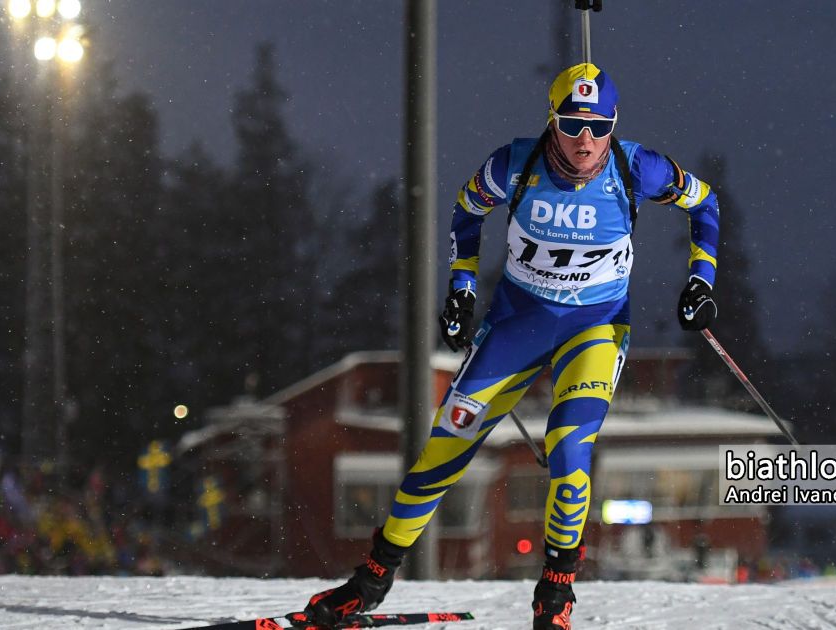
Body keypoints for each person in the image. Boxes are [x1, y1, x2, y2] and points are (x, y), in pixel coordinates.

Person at [304, 62, 721, 630]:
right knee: (446, 442)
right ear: (552, 119)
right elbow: (466, 210)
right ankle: (371, 580)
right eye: (572, 124)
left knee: (570, 446)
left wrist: (701, 279)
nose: (585, 141)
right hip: (518, 323)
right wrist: (461, 288)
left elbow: (705, 204)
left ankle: (554, 599)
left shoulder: (637, 166)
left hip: (594, 327)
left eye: (599, 126)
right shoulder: (514, 163)